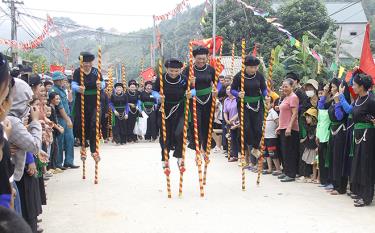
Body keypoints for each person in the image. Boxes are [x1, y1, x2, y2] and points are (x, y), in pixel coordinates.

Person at [7, 78, 42, 232]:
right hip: (10, 177)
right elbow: (34, 145)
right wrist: (35, 122)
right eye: (26, 103)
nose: (28, 107)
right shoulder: (12, 121)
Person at [338, 73, 375, 207]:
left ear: (361, 86)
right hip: (358, 135)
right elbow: (351, 112)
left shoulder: (371, 100)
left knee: (366, 166)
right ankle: (360, 193)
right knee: (358, 165)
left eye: (354, 85)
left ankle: (367, 197)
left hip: (368, 136)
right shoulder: (358, 99)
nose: (352, 87)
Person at [152, 58, 194, 170]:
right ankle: (164, 158)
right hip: (164, 110)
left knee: (179, 133)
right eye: (171, 70)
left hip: (180, 109)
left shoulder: (184, 79)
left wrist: (190, 94)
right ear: (167, 69)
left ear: (180, 70)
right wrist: (158, 97)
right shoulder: (161, 79)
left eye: (176, 71)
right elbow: (154, 91)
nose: (174, 73)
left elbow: (193, 90)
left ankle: (180, 156)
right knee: (165, 136)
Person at [231, 55, 268, 161]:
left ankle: (256, 148)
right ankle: (246, 148)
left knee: (258, 128)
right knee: (246, 128)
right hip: (244, 105)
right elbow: (233, 89)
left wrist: (266, 95)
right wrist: (238, 94)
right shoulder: (239, 76)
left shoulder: (259, 76)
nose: (254, 69)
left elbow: (264, 88)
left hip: (257, 104)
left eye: (256, 67)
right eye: (251, 67)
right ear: (246, 67)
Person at [183, 46, 217, 158]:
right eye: (199, 58)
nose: (201, 61)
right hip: (194, 101)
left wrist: (216, 90)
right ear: (194, 58)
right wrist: (190, 83)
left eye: (204, 58)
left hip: (208, 100)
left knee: (208, 124)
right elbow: (182, 85)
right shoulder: (188, 70)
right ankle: (198, 147)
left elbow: (217, 83)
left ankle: (206, 147)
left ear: (207, 57)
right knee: (196, 124)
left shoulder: (211, 69)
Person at [72, 52, 103, 161]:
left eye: (89, 62)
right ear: (81, 62)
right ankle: (83, 147)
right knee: (82, 124)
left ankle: (94, 150)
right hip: (82, 101)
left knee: (94, 123)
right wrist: (78, 88)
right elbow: (73, 84)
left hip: (95, 101)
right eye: (85, 62)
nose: (87, 65)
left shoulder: (96, 71)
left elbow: (103, 83)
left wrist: (100, 85)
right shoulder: (77, 71)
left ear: (91, 62)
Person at [50, 71, 78, 169]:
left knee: (70, 139)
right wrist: (68, 120)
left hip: (67, 117)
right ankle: (58, 163)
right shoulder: (53, 90)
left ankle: (69, 161)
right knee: (60, 141)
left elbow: (68, 102)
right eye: (62, 79)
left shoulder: (62, 90)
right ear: (57, 80)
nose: (63, 81)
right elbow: (60, 107)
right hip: (60, 118)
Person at [277, 78, 299, 182]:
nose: (284, 88)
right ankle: (286, 171)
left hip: (290, 128)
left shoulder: (293, 97)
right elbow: (283, 114)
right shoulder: (286, 97)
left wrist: (289, 127)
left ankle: (291, 174)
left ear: (292, 87)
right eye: (283, 86)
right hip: (283, 127)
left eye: (286, 86)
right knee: (284, 151)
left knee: (289, 151)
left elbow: (295, 113)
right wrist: (279, 127)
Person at [263, 96, 282, 175]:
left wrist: (277, 130)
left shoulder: (273, 112)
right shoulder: (265, 113)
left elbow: (278, 122)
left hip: (272, 137)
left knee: (273, 153)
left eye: (268, 102)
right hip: (265, 136)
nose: (266, 104)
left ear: (272, 104)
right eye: (265, 102)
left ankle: (278, 169)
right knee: (266, 153)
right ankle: (270, 168)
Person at [298, 107, 318, 182]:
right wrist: (303, 139)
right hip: (308, 146)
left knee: (314, 163)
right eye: (306, 117)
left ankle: (314, 176)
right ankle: (306, 175)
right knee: (306, 160)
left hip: (313, 147)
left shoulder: (316, 128)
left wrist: (317, 147)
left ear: (313, 118)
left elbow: (316, 137)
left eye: (308, 117)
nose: (306, 119)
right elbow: (309, 136)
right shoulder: (309, 127)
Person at [223, 86, 239, 162]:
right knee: (232, 138)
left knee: (239, 138)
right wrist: (226, 120)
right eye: (227, 89)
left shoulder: (237, 98)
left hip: (238, 121)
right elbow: (225, 112)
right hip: (230, 122)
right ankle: (234, 155)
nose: (228, 90)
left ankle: (243, 156)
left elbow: (240, 110)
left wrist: (234, 118)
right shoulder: (226, 100)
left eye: (230, 89)